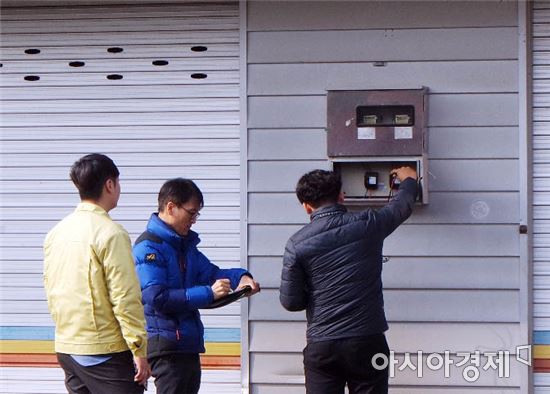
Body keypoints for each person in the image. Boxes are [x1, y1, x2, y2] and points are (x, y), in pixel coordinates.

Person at [279, 167, 418, 394]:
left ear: (306, 207)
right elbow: (401, 207)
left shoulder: (296, 244)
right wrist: (410, 180)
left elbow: (291, 302)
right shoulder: (369, 223)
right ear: (341, 196)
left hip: (323, 345)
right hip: (367, 340)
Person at [133, 177, 260, 394]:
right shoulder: (149, 248)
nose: (194, 220)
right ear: (171, 207)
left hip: (187, 345)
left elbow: (211, 273)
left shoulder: (184, 247)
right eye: (191, 213)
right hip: (166, 347)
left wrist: (242, 278)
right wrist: (208, 293)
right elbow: (157, 297)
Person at [43, 153, 151, 394]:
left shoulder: (56, 233)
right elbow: (125, 297)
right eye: (118, 182)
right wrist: (138, 348)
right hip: (105, 352)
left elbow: (52, 287)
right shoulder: (111, 233)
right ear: (109, 185)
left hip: (68, 348)